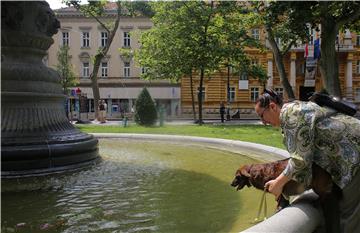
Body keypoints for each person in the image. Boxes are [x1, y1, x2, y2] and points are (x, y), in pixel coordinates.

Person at [255, 89, 360, 233]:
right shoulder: (293, 111)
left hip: (354, 155)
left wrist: (278, 183)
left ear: (272, 107)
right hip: (350, 155)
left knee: (349, 213)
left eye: (262, 115)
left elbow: (300, 159)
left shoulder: (291, 114)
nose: (263, 121)